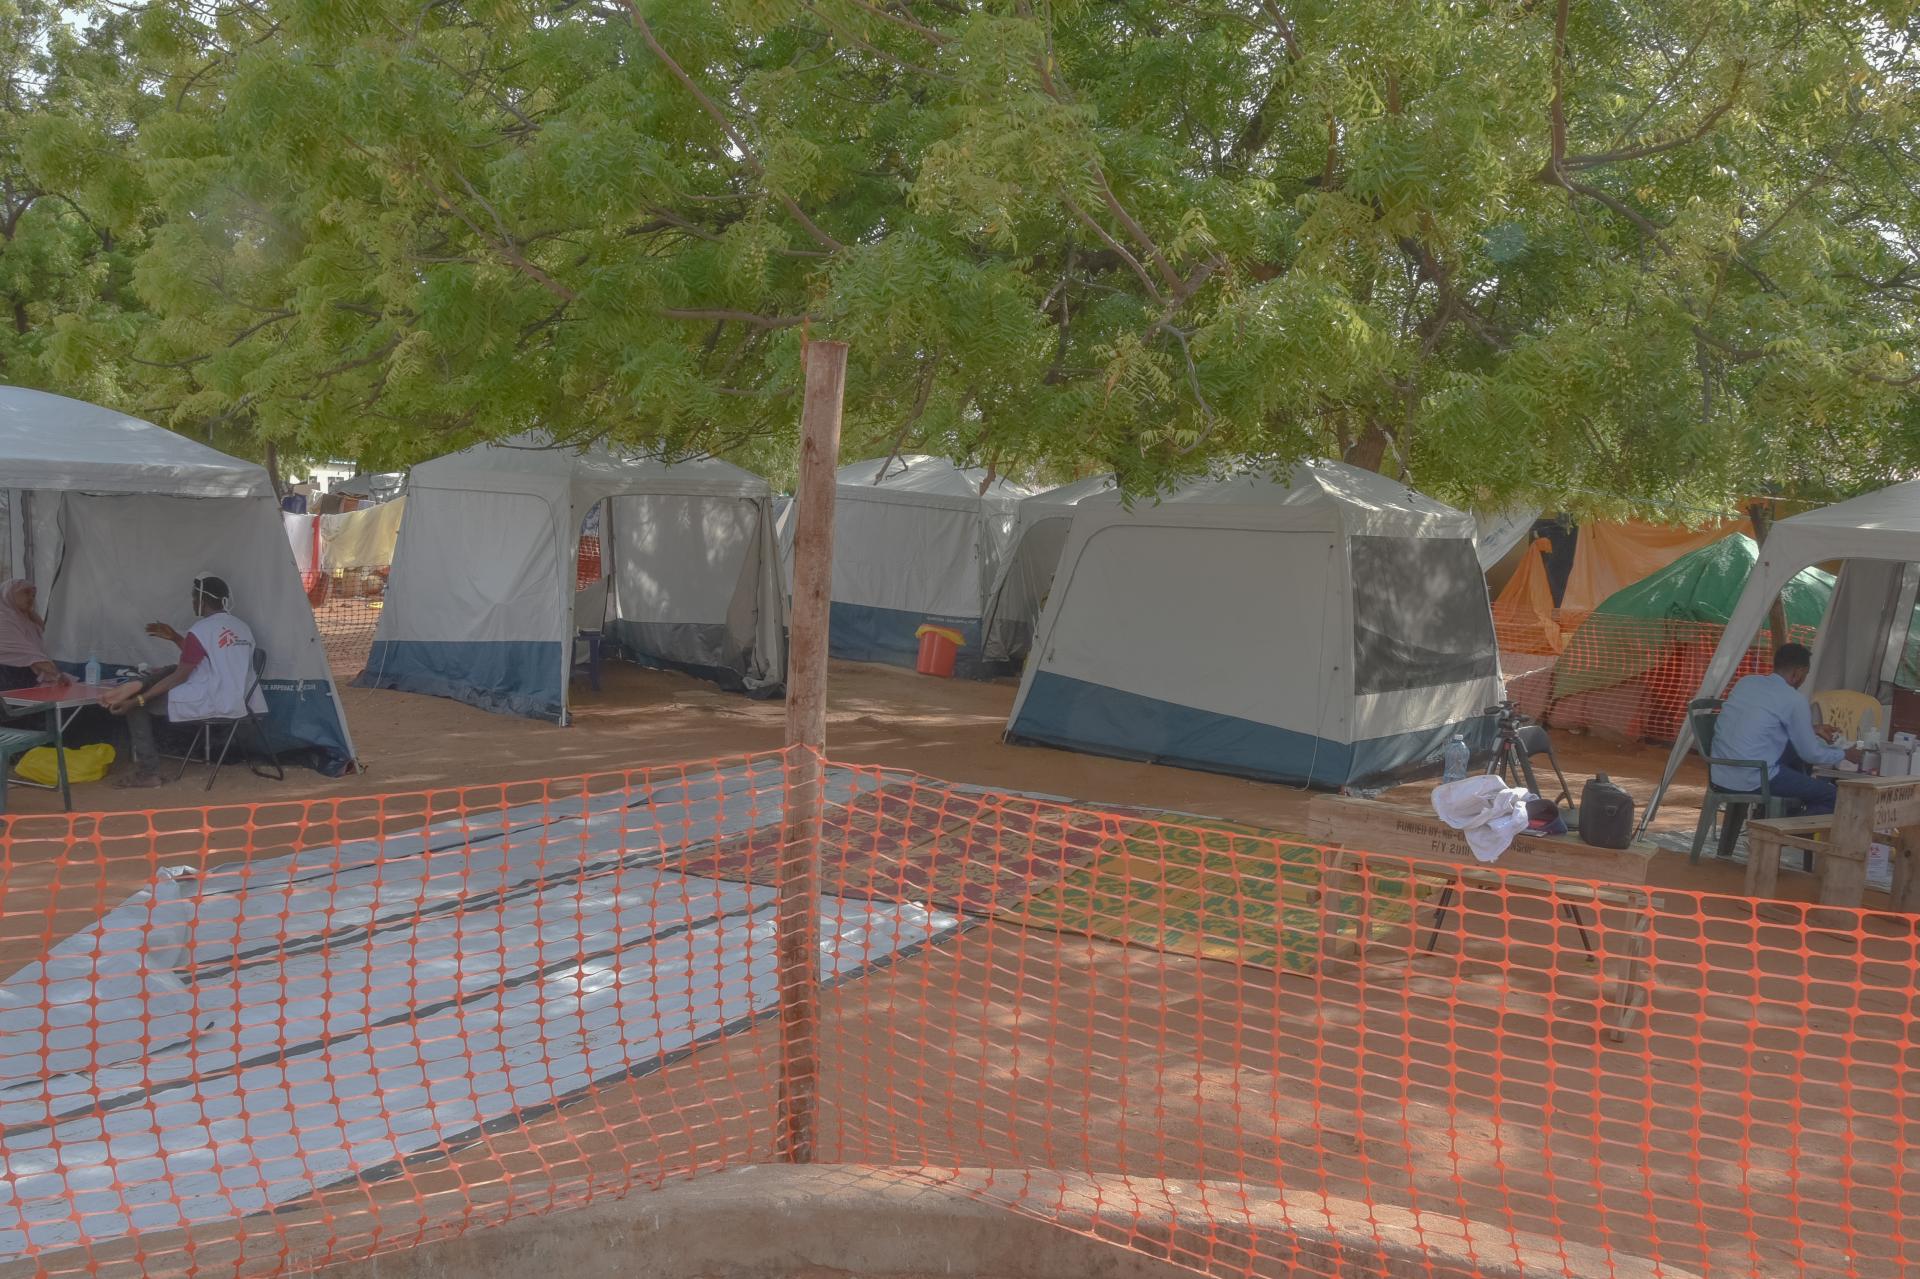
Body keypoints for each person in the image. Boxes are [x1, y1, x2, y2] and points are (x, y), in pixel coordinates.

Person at [99, 574, 265, 789]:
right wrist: (177, 638)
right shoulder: (242, 627)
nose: (193, 603)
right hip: (242, 699)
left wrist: (140, 699)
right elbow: (210, 658)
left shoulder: (200, 630)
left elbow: (181, 676)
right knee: (170, 669)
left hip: (213, 699)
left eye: (194, 598)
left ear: (201, 601)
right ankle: (140, 684)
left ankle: (148, 772)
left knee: (140, 703)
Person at [1710, 642, 1863, 816]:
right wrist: (1845, 754)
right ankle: (1786, 831)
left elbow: (1762, 724)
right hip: (1753, 778)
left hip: (1720, 772)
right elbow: (1811, 754)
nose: (1803, 679)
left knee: (1794, 754)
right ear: (1797, 673)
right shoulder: (1794, 699)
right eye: (1805, 674)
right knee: (1833, 796)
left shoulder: (1746, 682)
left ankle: (1770, 814)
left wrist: (1811, 729)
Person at [0, 578, 64, 689]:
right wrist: (58, 674)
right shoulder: (4, 619)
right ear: (8, 593)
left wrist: (30, 611)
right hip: (7, 679)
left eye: (33, 595)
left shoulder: (21, 618)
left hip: (23, 678)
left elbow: (41, 627)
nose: (31, 598)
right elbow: (28, 654)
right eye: (26, 592)